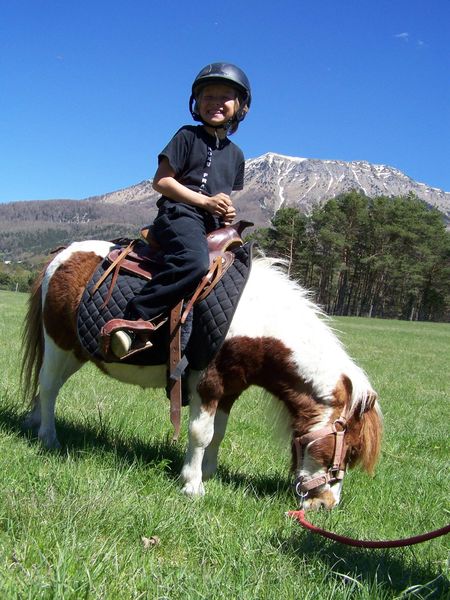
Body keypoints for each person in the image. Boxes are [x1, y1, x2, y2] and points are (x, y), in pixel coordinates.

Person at [108, 62, 252, 358]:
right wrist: (205, 202)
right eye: (207, 97)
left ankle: (201, 353)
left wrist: (225, 211)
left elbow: (221, 195)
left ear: (240, 107)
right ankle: (134, 320)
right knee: (194, 263)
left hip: (210, 224)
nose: (215, 103)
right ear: (196, 103)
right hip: (178, 216)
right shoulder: (187, 136)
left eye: (224, 97)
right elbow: (161, 182)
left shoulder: (237, 155)